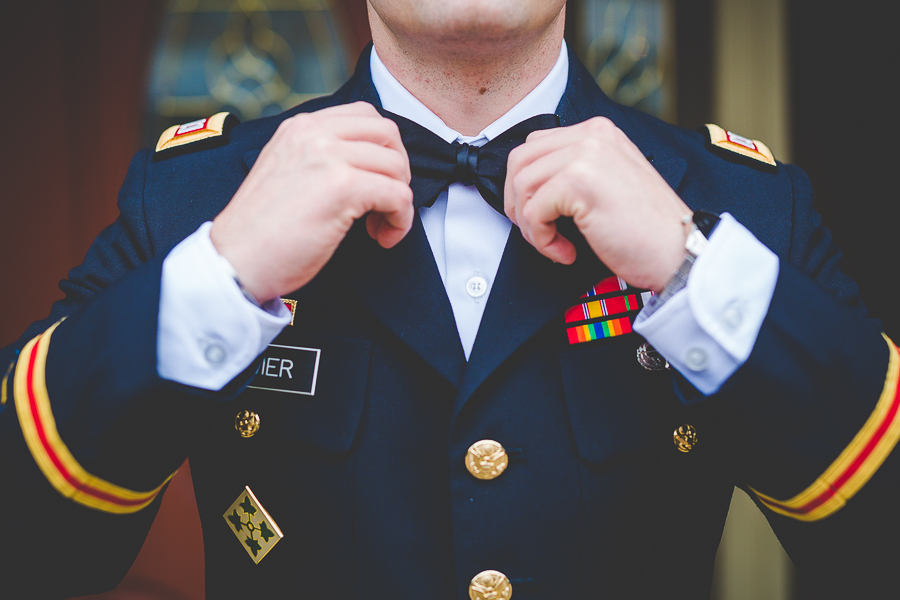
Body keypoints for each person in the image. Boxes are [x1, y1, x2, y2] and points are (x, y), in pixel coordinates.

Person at [1, 1, 898, 598]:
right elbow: (31, 549)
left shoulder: (744, 207)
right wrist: (222, 270)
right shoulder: (197, 199)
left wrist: (693, 270)